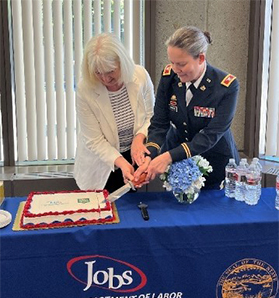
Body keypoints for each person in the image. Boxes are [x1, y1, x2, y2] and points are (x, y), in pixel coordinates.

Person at [135, 26, 240, 189]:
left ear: (201, 58)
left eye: (182, 64)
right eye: (172, 62)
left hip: (215, 160)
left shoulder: (226, 86)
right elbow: (159, 123)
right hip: (177, 162)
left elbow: (211, 135)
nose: (176, 70)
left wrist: (168, 157)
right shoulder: (169, 77)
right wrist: (150, 154)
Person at [74, 33, 155, 192]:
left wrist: (139, 138)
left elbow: (151, 117)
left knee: (130, 210)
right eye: (98, 72)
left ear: (122, 62)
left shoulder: (140, 76)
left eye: (110, 71)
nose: (105, 78)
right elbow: (94, 140)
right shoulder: (85, 89)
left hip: (133, 156)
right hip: (100, 163)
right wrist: (121, 163)